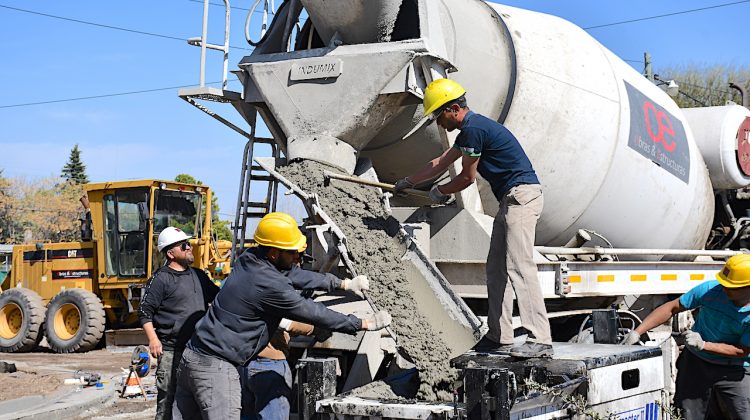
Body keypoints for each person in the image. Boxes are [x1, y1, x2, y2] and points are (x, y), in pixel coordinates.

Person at [172, 212, 391, 420]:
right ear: (274, 253)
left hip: (192, 356)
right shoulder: (270, 286)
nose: (298, 257)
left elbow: (295, 274)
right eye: (293, 252)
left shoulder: (251, 257)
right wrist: (363, 323)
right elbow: (312, 311)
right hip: (216, 368)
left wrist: (342, 283)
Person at [394, 78, 551, 358]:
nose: (438, 123)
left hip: (522, 197)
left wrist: (439, 192)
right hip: (510, 199)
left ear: (454, 109)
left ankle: (539, 338)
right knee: (496, 269)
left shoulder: (474, 129)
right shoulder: (471, 131)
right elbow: (440, 162)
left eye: (439, 115)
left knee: (518, 265)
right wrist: (407, 181)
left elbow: (467, 178)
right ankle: (499, 335)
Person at [240, 243, 368, 420]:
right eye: (297, 257)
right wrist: (317, 329)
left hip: (245, 360)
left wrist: (342, 283)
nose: (299, 263)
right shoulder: (273, 285)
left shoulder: (247, 275)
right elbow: (287, 321)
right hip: (267, 362)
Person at [620, 254, 750, 419]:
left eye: (731, 286)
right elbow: (672, 307)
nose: (724, 288)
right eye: (724, 283)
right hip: (697, 363)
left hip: (735, 369)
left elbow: (742, 350)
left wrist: (704, 345)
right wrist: (637, 331)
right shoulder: (711, 290)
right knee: (688, 413)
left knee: (744, 414)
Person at [139, 226, 220, 420]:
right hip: (170, 351)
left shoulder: (199, 276)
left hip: (198, 351)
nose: (189, 248)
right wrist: (153, 339)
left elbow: (219, 300)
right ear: (170, 253)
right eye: (184, 245)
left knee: (198, 400)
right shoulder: (161, 279)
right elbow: (144, 312)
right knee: (168, 400)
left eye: (188, 244)